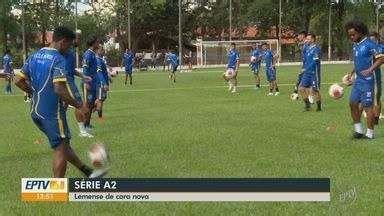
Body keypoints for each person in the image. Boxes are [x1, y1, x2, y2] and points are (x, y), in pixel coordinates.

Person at [14, 26, 105, 178]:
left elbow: (18, 80)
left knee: (62, 144)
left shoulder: (35, 55)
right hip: (52, 113)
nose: (69, 49)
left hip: (36, 112)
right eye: (69, 45)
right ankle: (56, 189)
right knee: (60, 148)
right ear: (63, 42)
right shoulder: (58, 59)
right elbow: (59, 89)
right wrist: (79, 105)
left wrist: (33, 93)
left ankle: (87, 171)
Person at [345, 20, 384, 139]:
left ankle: (370, 134)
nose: (351, 37)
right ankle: (358, 131)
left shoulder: (370, 44)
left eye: (353, 35)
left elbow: (381, 58)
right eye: (349, 35)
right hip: (358, 81)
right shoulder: (355, 45)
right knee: (352, 103)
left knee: (368, 107)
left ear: (360, 32)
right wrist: (351, 74)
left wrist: (370, 69)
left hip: (368, 81)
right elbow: (358, 62)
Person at [63, 34, 94, 138]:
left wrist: (82, 76)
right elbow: (66, 70)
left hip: (68, 80)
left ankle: (61, 129)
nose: (77, 40)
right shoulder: (65, 52)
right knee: (79, 104)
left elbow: (71, 70)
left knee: (63, 106)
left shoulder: (70, 52)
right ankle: (82, 131)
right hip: (67, 81)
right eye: (75, 38)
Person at [298, 33, 322, 111]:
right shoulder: (307, 48)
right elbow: (304, 57)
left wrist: (306, 68)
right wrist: (303, 69)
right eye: (306, 39)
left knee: (315, 90)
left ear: (312, 40)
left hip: (314, 73)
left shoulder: (316, 49)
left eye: (308, 39)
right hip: (306, 73)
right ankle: (308, 106)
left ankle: (319, 107)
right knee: (301, 89)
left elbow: (315, 62)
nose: (306, 40)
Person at [82, 36, 100, 132]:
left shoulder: (93, 54)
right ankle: (84, 126)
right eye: (97, 42)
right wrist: (86, 82)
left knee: (92, 104)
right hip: (88, 84)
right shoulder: (88, 54)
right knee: (88, 105)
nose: (99, 44)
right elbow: (85, 69)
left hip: (93, 84)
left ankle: (88, 124)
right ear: (93, 43)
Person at [368, 32, 383, 124]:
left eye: (373, 39)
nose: (372, 41)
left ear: (377, 39)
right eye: (371, 39)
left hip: (376, 74)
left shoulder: (381, 47)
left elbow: (381, 59)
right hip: (367, 75)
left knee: (377, 95)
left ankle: (376, 119)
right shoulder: (368, 47)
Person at [95, 46, 109, 121]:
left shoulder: (101, 60)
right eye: (101, 50)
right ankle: (99, 117)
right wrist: (104, 83)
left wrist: (109, 79)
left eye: (103, 49)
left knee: (101, 99)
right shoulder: (98, 60)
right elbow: (99, 72)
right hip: (101, 84)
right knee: (100, 100)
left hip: (103, 83)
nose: (103, 51)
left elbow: (103, 72)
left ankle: (93, 108)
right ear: (97, 51)